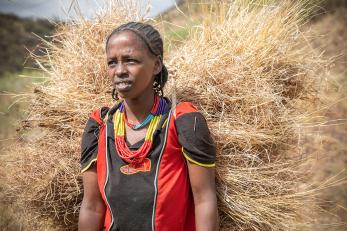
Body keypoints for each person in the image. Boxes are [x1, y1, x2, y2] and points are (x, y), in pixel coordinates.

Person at [78, 22, 218, 231]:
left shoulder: (182, 122)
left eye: (130, 60)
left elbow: (204, 200)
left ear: (156, 65)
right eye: (112, 63)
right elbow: (92, 207)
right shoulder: (100, 126)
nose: (120, 71)